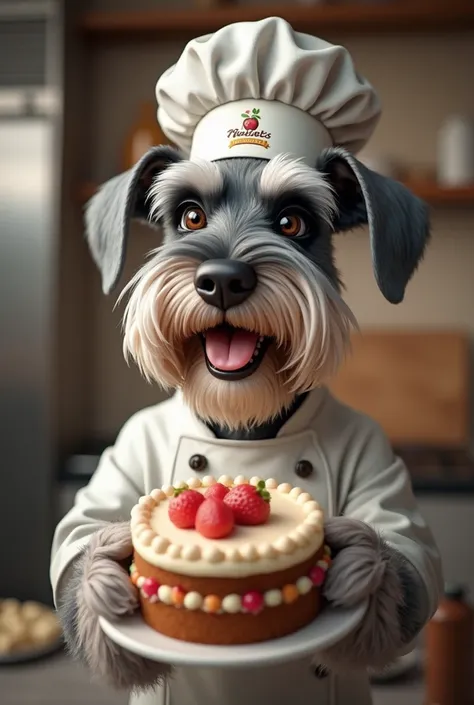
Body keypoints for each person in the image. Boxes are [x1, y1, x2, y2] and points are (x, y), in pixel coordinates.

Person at [50, 17, 443, 705]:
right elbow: (77, 542)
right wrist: (91, 574)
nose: (225, 271)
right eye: (192, 217)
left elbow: (414, 566)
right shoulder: (146, 440)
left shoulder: (353, 443)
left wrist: (382, 573)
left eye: (291, 222)